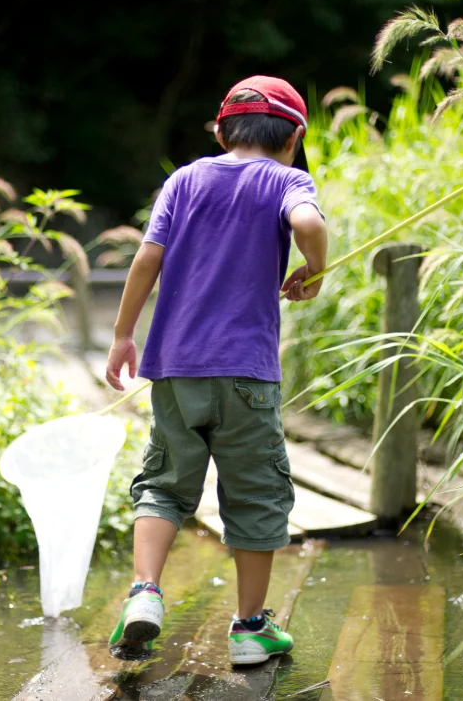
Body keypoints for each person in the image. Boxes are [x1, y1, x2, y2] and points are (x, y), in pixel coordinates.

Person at [103, 75, 328, 666]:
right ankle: (251, 628)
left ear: (223, 129)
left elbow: (146, 259)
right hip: (246, 378)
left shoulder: (184, 179)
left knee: (164, 485)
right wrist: (316, 267)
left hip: (174, 372)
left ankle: (146, 592)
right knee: (254, 497)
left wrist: (125, 335)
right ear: (294, 136)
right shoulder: (287, 179)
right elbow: (307, 224)